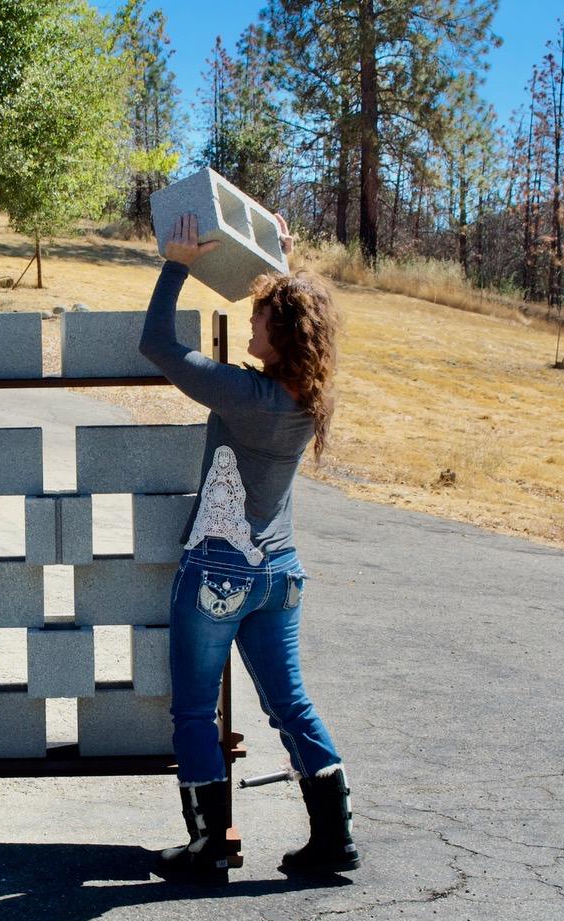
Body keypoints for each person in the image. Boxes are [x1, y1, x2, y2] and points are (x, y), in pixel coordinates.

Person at [138, 212, 359, 885]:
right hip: (278, 574)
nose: (251, 322)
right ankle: (334, 838)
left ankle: (207, 846)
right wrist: (283, 265)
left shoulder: (245, 394)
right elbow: (292, 320)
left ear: (279, 335)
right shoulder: (306, 394)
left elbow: (156, 342)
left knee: (195, 710)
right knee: (290, 705)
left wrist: (176, 263)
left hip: (216, 574)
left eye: (262, 317)